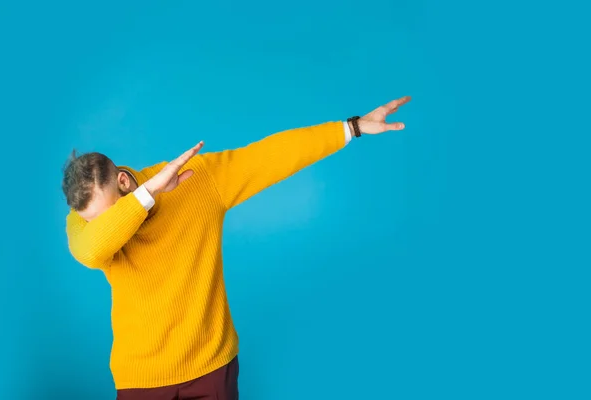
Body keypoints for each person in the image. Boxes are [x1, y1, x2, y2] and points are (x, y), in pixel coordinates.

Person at [63, 96, 411, 399]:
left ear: (123, 181)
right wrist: (147, 195)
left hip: (211, 368)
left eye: (110, 214)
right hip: (140, 379)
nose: (105, 226)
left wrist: (352, 128)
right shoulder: (83, 220)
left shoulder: (196, 181)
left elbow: (268, 157)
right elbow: (91, 251)